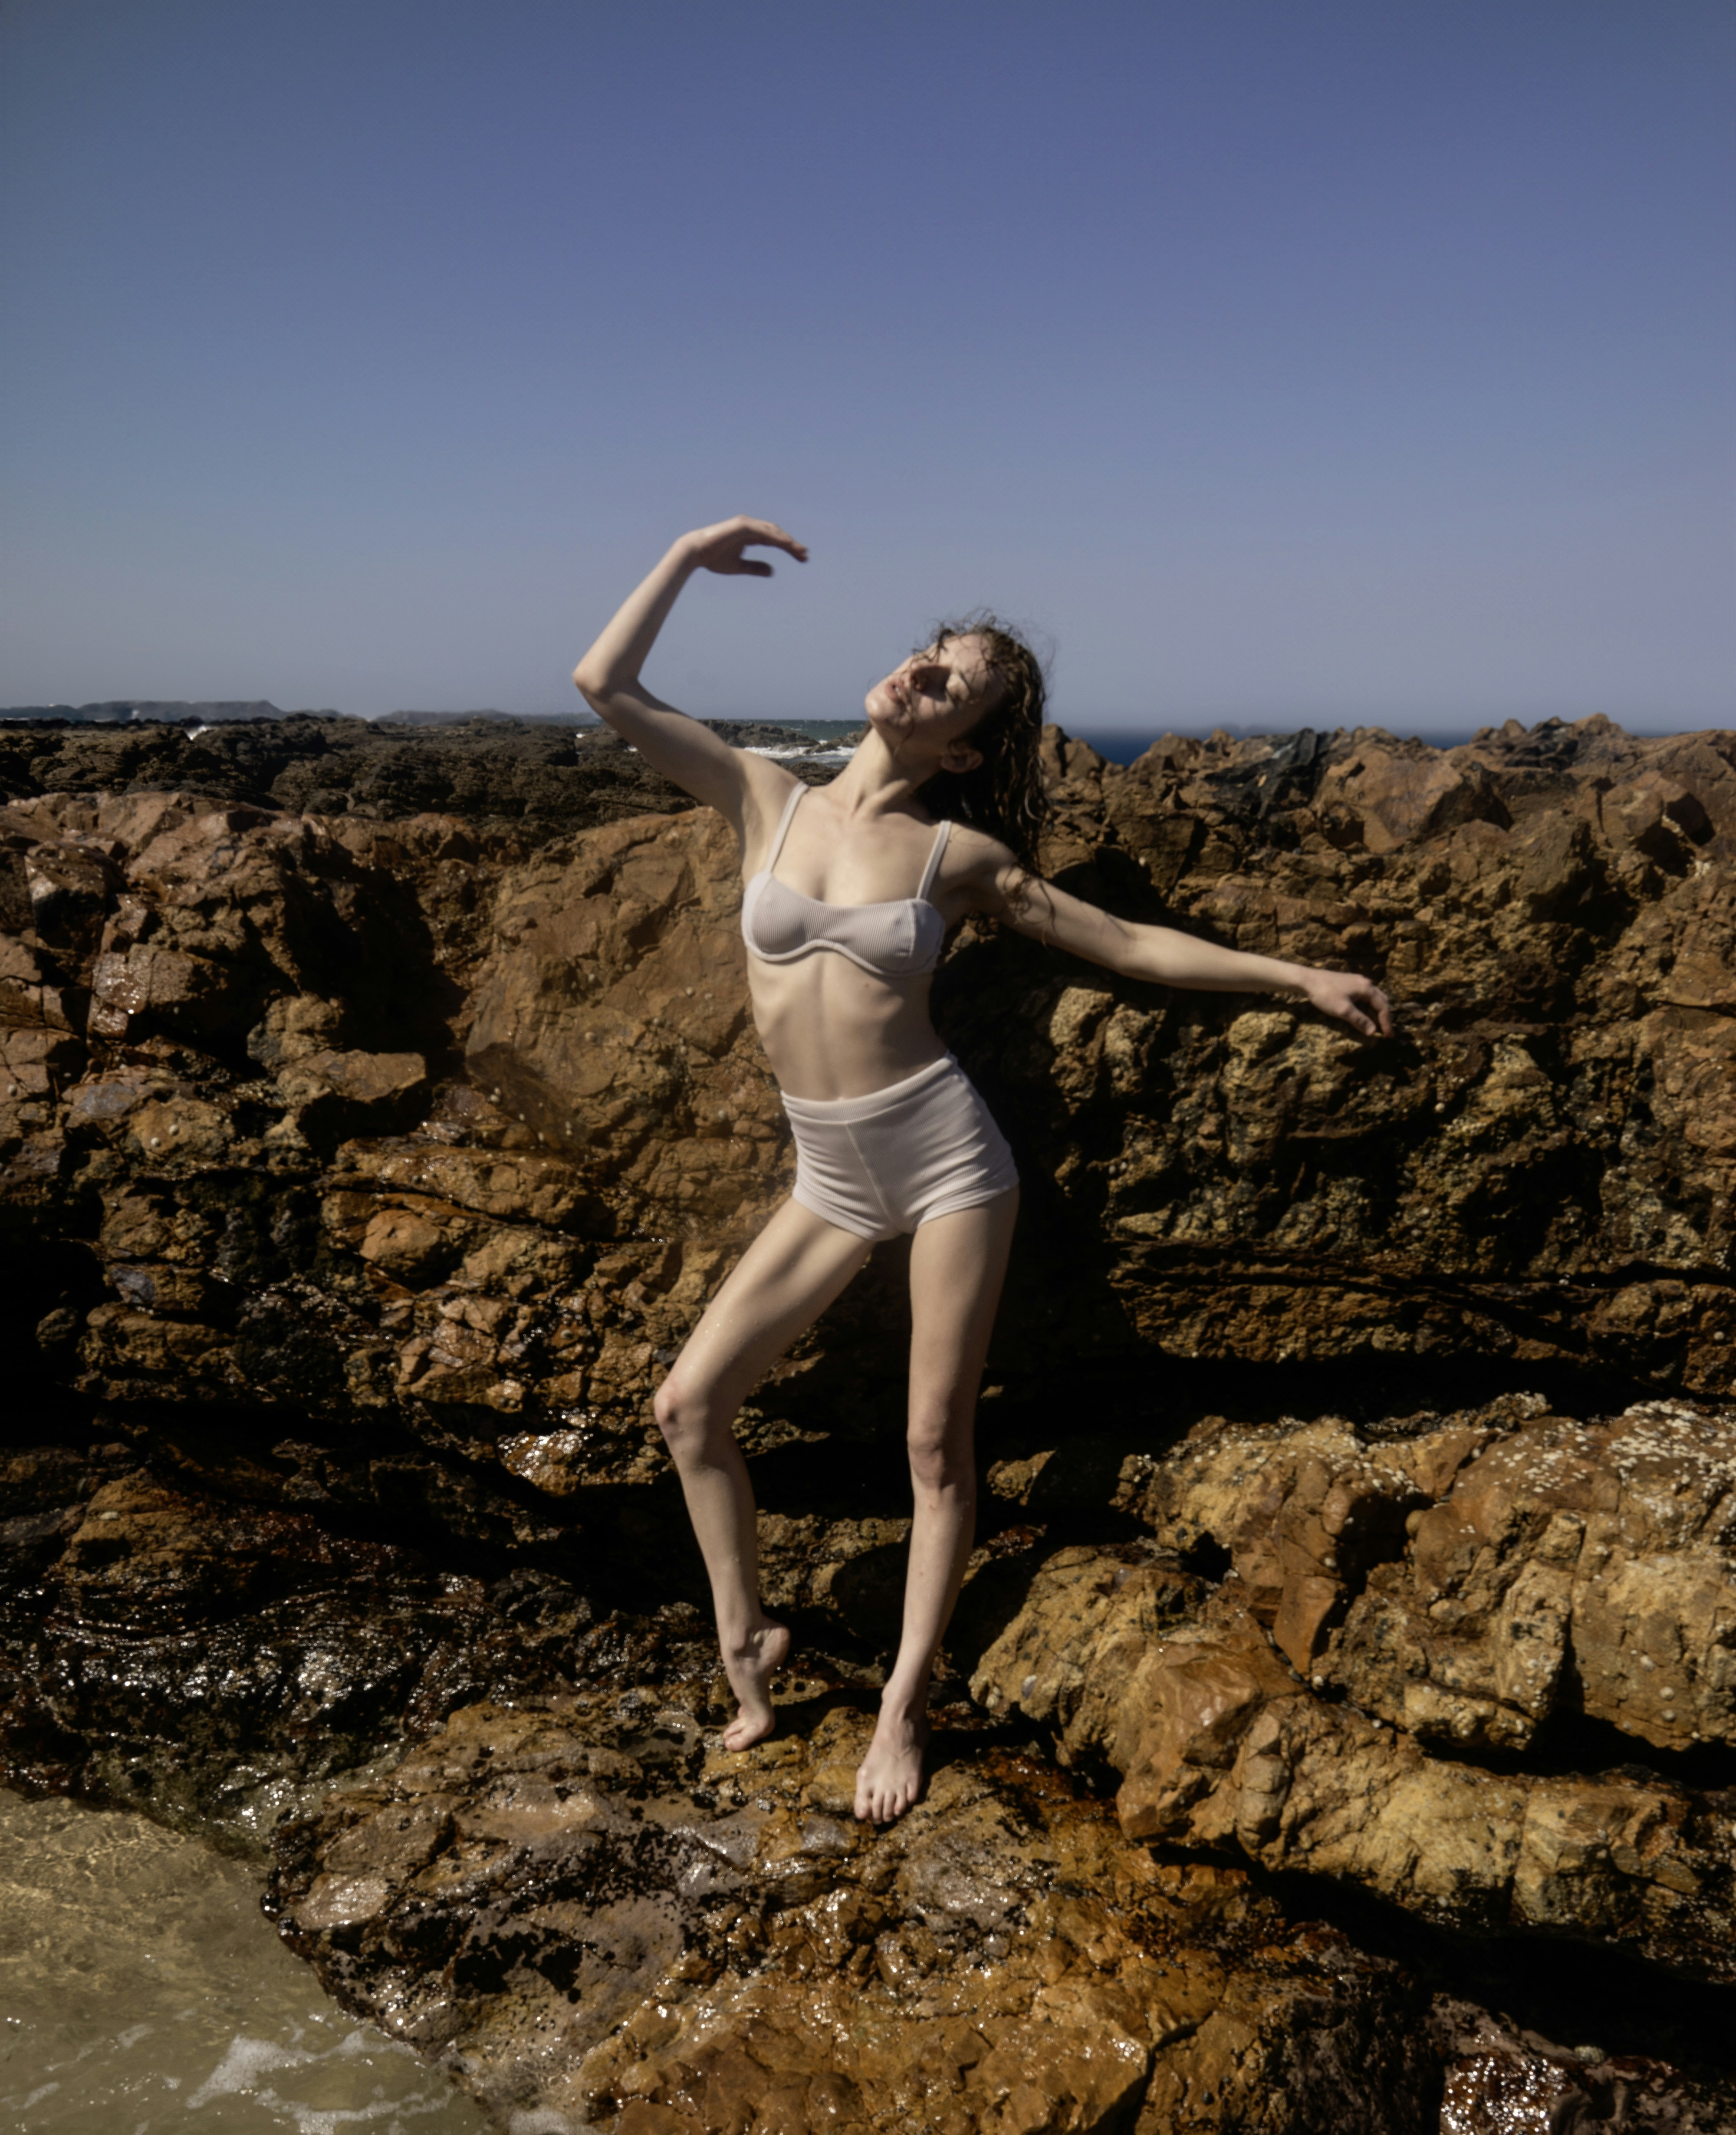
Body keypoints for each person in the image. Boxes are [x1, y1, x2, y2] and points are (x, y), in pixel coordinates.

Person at [573, 517, 1393, 1825]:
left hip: (946, 1159)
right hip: (828, 1175)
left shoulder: (962, 861)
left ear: (963, 748)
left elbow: (1128, 945)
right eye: (930, 653)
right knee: (687, 1406)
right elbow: (604, 685)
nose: (924, 672)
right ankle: (748, 1641)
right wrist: (685, 553)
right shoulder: (763, 796)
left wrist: (1297, 978)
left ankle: (903, 1706)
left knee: (933, 1447)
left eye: (956, 683)